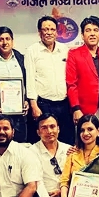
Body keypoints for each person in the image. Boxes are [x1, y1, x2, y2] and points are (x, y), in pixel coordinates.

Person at [25, 16, 72, 144]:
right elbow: (30, 79)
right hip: (43, 105)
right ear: (39, 32)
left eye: (52, 29)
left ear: (56, 32)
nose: (49, 32)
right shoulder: (32, 51)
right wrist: (33, 105)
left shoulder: (64, 49)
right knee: (44, 141)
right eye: (45, 29)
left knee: (66, 141)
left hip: (64, 104)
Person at [66, 16, 99, 136]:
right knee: (85, 141)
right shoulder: (74, 54)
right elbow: (71, 84)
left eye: (95, 30)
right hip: (83, 109)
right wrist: (76, 108)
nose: (92, 34)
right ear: (82, 35)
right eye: (88, 30)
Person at [0, 26, 29, 142]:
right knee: (0, 147)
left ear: (12, 41)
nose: (5, 43)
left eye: (8, 39)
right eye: (1, 39)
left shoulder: (23, 60)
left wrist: (27, 100)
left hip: (20, 116)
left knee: (20, 146)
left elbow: (30, 83)